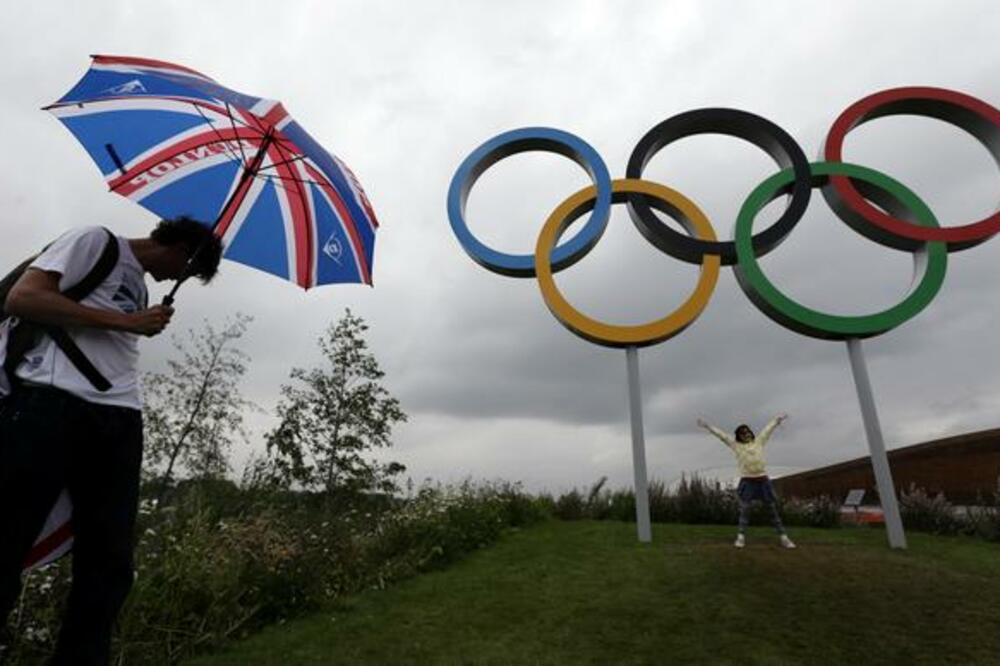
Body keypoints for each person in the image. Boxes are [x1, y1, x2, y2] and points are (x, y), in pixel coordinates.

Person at [0, 217, 222, 665]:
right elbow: (23, 297)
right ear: (179, 248)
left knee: (110, 562)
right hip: (50, 406)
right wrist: (127, 321)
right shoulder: (93, 241)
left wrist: (133, 322)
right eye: (187, 271)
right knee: (8, 539)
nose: (180, 280)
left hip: (118, 420)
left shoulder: (137, 283)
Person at [696, 415, 796, 550]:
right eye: (743, 433)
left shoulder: (759, 442)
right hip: (748, 482)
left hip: (763, 481)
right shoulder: (736, 446)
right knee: (745, 510)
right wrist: (708, 427)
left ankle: (784, 537)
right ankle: (741, 537)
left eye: (748, 432)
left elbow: (767, 430)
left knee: (772, 511)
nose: (747, 434)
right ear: (739, 436)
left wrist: (776, 421)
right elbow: (722, 436)